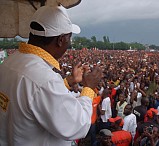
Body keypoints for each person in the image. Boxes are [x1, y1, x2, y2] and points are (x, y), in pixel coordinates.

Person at [0, 5, 102, 146]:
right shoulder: (44, 80)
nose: (69, 44)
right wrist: (89, 87)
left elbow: (35, 97)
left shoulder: (10, 61)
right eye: (69, 38)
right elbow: (77, 125)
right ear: (60, 40)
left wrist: (67, 82)